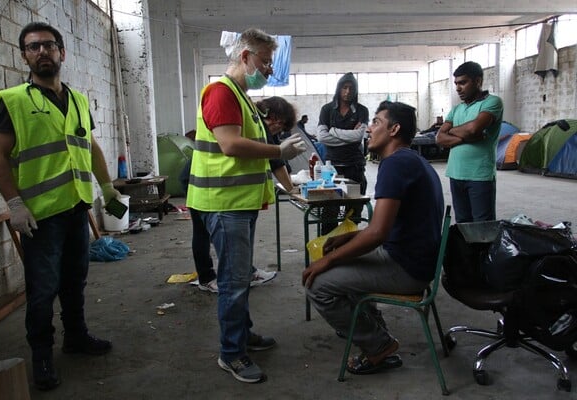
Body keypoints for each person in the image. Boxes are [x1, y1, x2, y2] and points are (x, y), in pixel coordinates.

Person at [0, 22, 120, 391]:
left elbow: (89, 145)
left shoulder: (77, 99)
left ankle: (76, 337)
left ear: (62, 52)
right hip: (40, 216)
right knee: (43, 289)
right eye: (33, 47)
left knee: (74, 280)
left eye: (49, 45)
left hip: (76, 208)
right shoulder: (14, 101)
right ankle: (42, 356)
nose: (42, 52)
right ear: (25, 56)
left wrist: (106, 186)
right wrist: (14, 203)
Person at [186, 28, 306, 383]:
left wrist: (285, 182)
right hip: (224, 204)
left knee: (239, 278)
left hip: (240, 203)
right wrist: (278, 151)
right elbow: (230, 145)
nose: (269, 70)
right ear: (245, 56)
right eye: (265, 62)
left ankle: (241, 334)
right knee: (234, 281)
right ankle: (232, 353)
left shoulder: (243, 97)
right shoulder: (222, 93)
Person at [303, 101, 444, 376]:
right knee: (345, 260)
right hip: (415, 259)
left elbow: (378, 234)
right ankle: (374, 330)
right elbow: (386, 227)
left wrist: (327, 261)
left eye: (377, 122)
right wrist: (350, 238)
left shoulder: (395, 165)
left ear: (394, 129)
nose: (369, 128)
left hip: (407, 268)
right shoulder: (411, 159)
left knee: (318, 284)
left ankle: (378, 345)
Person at [180, 96, 296, 293]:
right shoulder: (253, 120)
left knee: (242, 237)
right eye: (282, 127)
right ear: (276, 119)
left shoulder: (256, 121)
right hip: (199, 179)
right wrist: (292, 190)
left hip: (215, 182)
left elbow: (274, 157)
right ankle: (206, 277)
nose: (279, 132)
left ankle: (247, 271)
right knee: (202, 231)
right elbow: (276, 161)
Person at [435, 61, 503, 223]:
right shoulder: (457, 109)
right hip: (455, 174)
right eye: (456, 84)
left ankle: (481, 250)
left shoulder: (492, 102)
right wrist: (464, 134)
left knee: (482, 226)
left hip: (479, 175)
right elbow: (439, 137)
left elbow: (473, 129)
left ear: (478, 81)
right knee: (463, 224)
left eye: (463, 83)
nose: (458, 88)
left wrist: (453, 131)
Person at [317, 72, 369, 233]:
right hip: (332, 169)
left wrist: (333, 131)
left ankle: (347, 246)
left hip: (355, 166)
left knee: (353, 211)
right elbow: (322, 137)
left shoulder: (362, 111)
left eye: (351, 88)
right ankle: (327, 247)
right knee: (329, 211)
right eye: (344, 88)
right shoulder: (327, 110)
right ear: (339, 89)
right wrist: (349, 136)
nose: (347, 92)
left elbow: (359, 136)